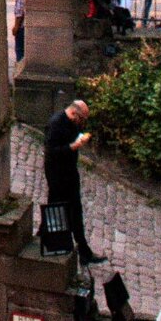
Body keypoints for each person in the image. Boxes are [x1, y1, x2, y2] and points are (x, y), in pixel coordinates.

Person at [43, 98, 99, 263]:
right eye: (81, 119)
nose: (81, 123)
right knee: (57, 208)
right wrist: (72, 147)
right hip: (57, 174)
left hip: (69, 172)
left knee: (75, 210)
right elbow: (52, 151)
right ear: (74, 112)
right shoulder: (56, 123)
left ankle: (84, 252)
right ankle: (54, 243)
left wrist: (80, 140)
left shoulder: (72, 123)